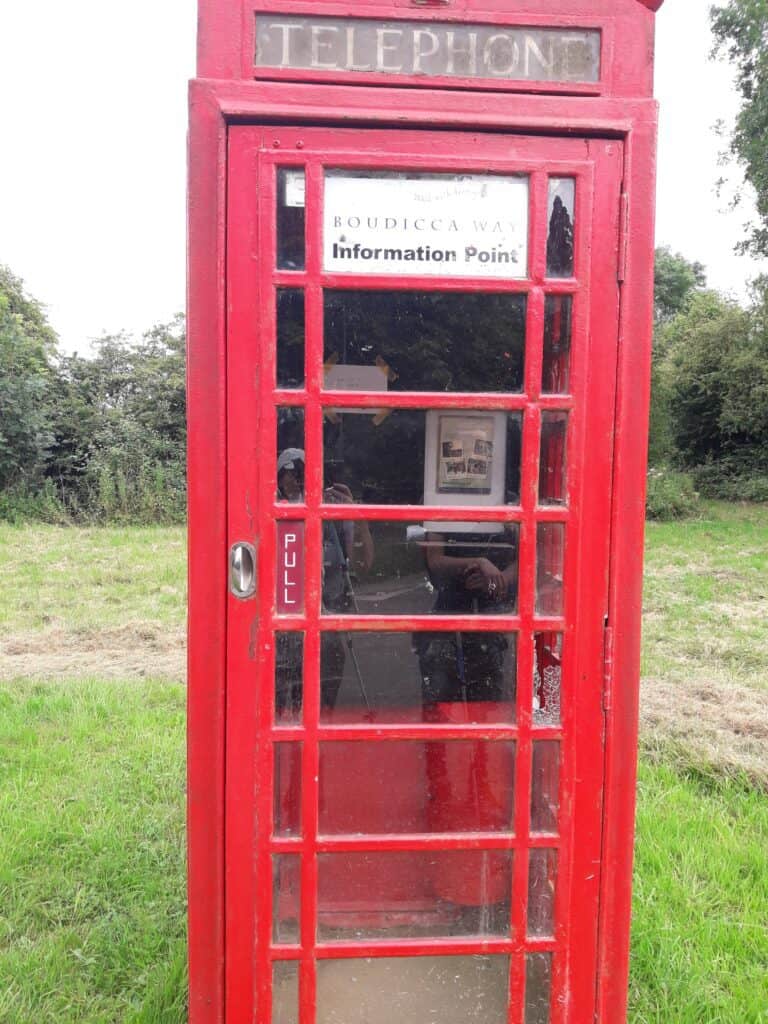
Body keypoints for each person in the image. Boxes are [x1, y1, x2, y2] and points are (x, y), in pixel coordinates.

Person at [275, 448, 373, 711]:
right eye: (290, 474)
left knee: (320, 703)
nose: (295, 481)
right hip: (283, 633)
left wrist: (355, 515)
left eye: (302, 475)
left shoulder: (333, 517)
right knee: (279, 703)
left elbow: (363, 565)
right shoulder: (272, 514)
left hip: (327, 622)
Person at [414, 526, 518, 706]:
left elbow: (529, 556)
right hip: (449, 614)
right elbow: (435, 560)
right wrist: (480, 562)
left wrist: (497, 580)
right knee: (439, 706)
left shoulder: (509, 499)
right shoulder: (441, 498)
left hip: (491, 618)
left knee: (487, 705)